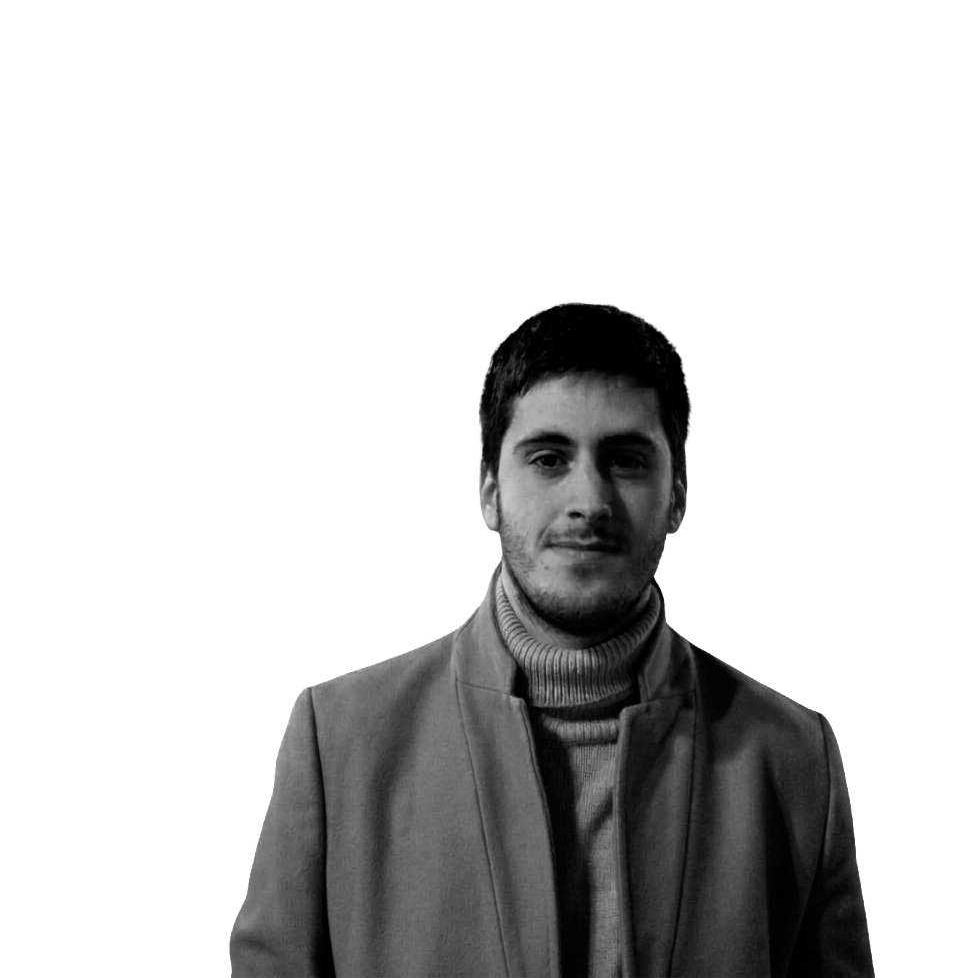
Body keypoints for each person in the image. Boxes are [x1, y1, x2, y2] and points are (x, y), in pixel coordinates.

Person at [230, 302, 874, 977]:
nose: (588, 501)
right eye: (548, 459)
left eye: (626, 461)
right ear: (489, 492)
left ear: (678, 494)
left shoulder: (794, 759)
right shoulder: (339, 743)